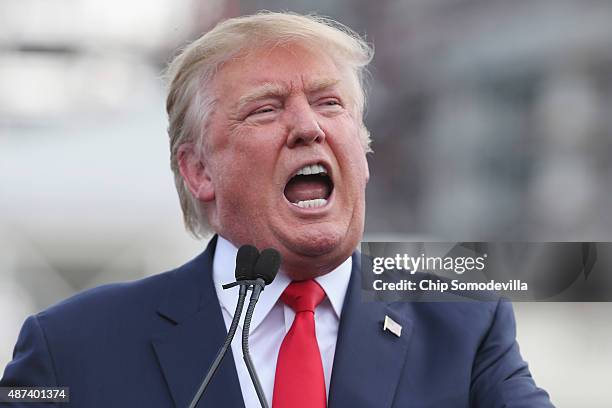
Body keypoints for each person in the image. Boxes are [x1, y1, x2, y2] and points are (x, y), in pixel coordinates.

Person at [0, 12, 554, 408]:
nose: (308, 127)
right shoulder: (72, 348)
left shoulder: (464, 322)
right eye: (265, 110)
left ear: (362, 154)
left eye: (329, 103)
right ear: (198, 171)